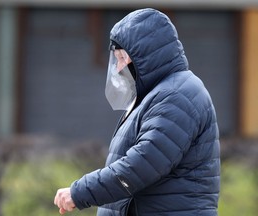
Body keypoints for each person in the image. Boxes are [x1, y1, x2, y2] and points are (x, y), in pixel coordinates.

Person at [54, 8, 220, 216]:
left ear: (147, 56)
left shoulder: (178, 95)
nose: (118, 68)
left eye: (123, 58)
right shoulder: (156, 94)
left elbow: (142, 164)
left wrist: (80, 192)